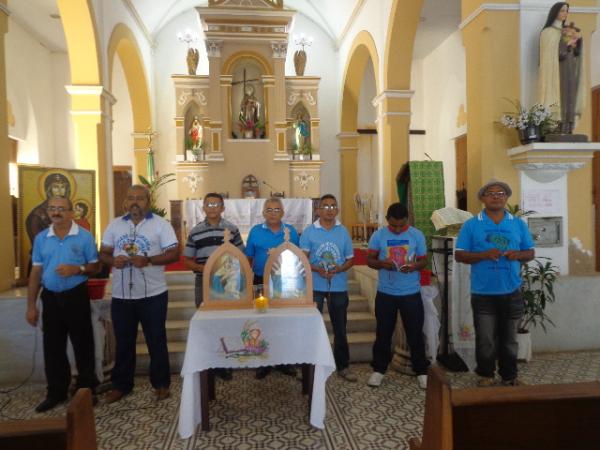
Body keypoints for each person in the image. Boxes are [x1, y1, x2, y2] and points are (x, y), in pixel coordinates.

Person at [100, 185, 179, 403]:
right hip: (122, 295)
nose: (135, 202)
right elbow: (103, 253)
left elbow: (173, 253)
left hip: (153, 294)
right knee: (124, 342)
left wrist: (150, 260)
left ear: (148, 200)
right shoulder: (115, 225)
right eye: (131, 198)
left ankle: (161, 384)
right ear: (126, 202)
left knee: (156, 340)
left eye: (140, 198)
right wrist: (112, 261)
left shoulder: (160, 225)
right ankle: (121, 385)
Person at [455, 180, 535, 387]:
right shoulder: (472, 224)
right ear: (483, 198)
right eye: (490, 193)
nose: (496, 196)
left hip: (512, 290)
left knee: (509, 339)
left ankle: (509, 376)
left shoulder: (517, 224)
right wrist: (483, 255)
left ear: (507, 198)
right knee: (486, 339)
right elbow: (460, 255)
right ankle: (485, 375)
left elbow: (530, 252)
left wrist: (517, 254)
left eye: (501, 193)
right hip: (483, 293)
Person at [26, 196, 99, 412]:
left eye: (61, 209)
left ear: (71, 212)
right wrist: (31, 305)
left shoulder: (84, 237)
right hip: (50, 297)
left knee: (83, 344)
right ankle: (56, 391)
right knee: (53, 346)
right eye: (52, 209)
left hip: (76, 295)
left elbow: (95, 266)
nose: (56, 213)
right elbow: (36, 271)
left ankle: (86, 390)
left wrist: (78, 269)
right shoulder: (41, 238)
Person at [366, 202, 430, 389]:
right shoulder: (378, 235)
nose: (398, 229)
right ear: (387, 220)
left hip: (411, 293)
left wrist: (414, 267)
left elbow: (424, 261)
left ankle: (421, 371)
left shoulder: (416, 235)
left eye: (402, 225)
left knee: (415, 333)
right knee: (383, 333)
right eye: (394, 225)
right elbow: (370, 260)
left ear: (407, 220)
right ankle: (378, 370)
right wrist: (382, 263)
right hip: (386, 293)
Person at [183, 192, 244, 381]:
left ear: (223, 208)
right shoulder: (195, 231)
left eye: (216, 204)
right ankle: (207, 360)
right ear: (203, 207)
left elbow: (241, 256)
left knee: (227, 321)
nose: (212, 207)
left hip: (227, 283)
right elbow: (186, 259)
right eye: (208, 204)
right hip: (203, 281)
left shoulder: (231, 229)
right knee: (206, 322)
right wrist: (204, 268)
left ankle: (225, 361)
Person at [299, 194, 357, 382]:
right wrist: (317, 269)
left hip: (338, 286)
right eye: (325, 206)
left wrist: (340, 268)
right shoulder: (309, 232)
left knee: (340, 327)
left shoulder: (343, 232)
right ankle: (310, 366)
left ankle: (343, 366)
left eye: (333, 206)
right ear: (318, 210)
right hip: (315, 285)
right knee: (311, 326)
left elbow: (350, 259)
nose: (329, 210)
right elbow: (303, 259)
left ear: (337, 210)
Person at [245, 197, 300, 379]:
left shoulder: (290, 231)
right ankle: (263, 362)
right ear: (263, 213)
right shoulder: (255, 232)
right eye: (269, 210)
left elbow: (299, 257)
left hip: (285, 282)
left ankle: (285, 361)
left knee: (284, 320)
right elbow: (249, 259)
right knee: (262, 321)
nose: (273, 213)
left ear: (283, 213)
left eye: (277, 210)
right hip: (261, 281)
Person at [538, 2, 584, 134]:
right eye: (562, 10)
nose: (565, 13)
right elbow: (554, 54)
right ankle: (557, 125)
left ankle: (569, 125)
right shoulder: (548, 33)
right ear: (555, 12)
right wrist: (567, 44)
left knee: (570, 96)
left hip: (570, 69)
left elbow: (577, 53)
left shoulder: (568, 31)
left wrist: (578, 42)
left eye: (567, 11)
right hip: (557, 73)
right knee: (561, 96)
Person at [26, 172, 72, 247]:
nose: (60, 191)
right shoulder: (36, 216)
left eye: (63, 187)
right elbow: (39, 245)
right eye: (56, 187)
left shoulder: (68, 212)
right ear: (49, 190)